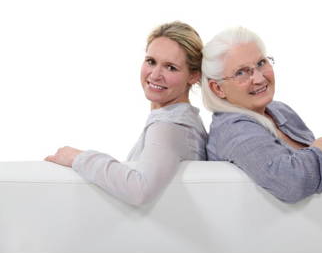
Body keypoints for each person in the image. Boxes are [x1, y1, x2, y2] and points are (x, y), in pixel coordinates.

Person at [45, 21, 207, 206]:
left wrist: (77, 157)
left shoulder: (171, 126)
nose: (155, 75)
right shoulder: (179, 120)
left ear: (193, 75)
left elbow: (138, 189)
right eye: (151, 61)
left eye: (171, 67)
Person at [201, 27, 322, 204]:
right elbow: (292, 183)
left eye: (261, 63)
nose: (259, 78)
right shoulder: (232, 129)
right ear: (218, 88)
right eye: (241, 72)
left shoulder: (279, 110)